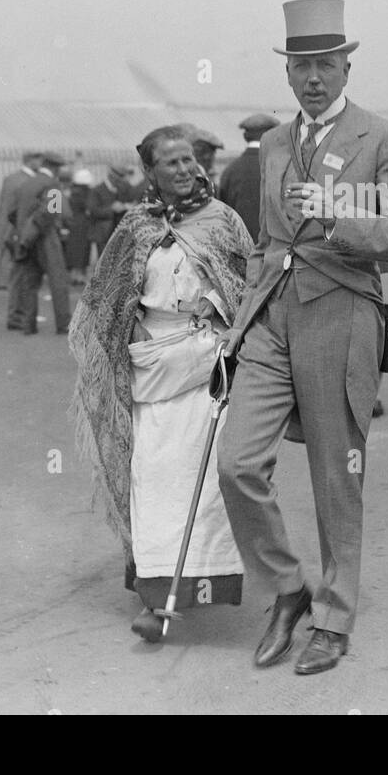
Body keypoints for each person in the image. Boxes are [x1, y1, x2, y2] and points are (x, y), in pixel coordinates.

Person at [215, 0, 388, 675]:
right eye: (301, 66)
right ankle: (287, 587)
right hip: (274, 318)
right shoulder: (275, 143)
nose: (313, 78)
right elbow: (268, 241)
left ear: (345, 67)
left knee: (337, 475)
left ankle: (333, 618)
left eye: (325, 65)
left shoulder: (381, 138)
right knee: (238, 462)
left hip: (341, 311)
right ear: (287, 73)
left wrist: (338, 216)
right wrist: (244, 315)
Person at [69, 126, 253, 642]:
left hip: (207, 366)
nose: (185, 169)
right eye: (170, 162)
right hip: (151, 366)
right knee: (152, 477)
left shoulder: (224, 222)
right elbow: (105, 300)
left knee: (204, 479)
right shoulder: (136, 226)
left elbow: (248, 289)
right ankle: (154, 586)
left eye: (189, 159)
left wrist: (224, 323)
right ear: (150, 172)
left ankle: (186, 591)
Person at [8, 151, 72, 335]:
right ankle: (63, 323)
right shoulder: (52, 185)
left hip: (25, 239)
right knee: (58, 281)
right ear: (55, 168)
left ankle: (28, 325)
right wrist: (39, 229)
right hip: (46, 237)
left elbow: (11, 213)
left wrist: (24, 232)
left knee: (29, 282)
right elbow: (51, 212)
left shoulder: (24, 184)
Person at [218, 113, 280, 241]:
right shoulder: (280, 167)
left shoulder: (230, 170)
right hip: (272, 249)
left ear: (246, 136)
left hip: (239, 247)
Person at [0, 152, 41, 292]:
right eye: (38, 160)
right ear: (30, 161)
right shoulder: (32, 181)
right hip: (19, 221)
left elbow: (0, 202)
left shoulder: (10, 178)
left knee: (6, 251)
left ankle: (3, 281)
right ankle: (14, 282)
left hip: (6, 220)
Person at [87, 164, 138, 260]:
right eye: (118, 179)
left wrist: (128, 206)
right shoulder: (97, 190)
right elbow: (93, 211)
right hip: (103, 233)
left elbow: (133, 199)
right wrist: (111, 209)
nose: (121, 182)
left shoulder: (123, 189)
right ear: (112, 177)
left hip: (119, 233)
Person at [66, 169, 94, 285]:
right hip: (82, 225)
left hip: (74, 225)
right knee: (82, 251)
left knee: (75, 251)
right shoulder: (84, 193)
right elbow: (89, 207)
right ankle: (79, 276)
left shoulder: (72, 191)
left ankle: (75, 275)